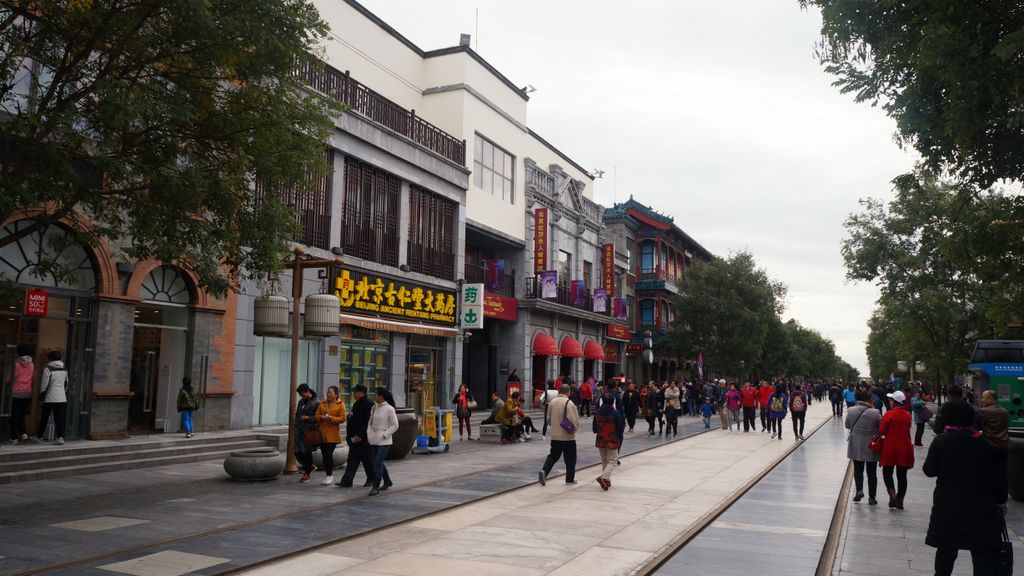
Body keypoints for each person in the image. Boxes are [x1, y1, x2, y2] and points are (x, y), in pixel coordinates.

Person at [923, 399, 1007, 576]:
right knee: (982, 552)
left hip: (948, 507)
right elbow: (996, 477)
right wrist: (1001, 502)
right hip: (980, 508)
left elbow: (929, 471)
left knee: (946, 550)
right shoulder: (982, 443)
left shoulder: (941, 442)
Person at [538, 384, 580, 486]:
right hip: (568, 437)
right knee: (570, 459)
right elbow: (573, 420)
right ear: (568, 392)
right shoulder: (569, 403)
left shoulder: (552, 402)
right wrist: (575, 429)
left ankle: (544, 471)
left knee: (553, 456)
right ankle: (569, 479)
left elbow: (548, 419)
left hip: (555, 436)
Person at [879, 390, 914, 509]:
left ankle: (892, 495)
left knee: (887, 472)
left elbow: (882, 430)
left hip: (890, 447)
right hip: (905, 447)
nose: (889, 402)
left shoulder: (889, 414)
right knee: (902, 475)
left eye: (891, 400)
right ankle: (900, 500)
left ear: (895, 402)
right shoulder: (908, 415)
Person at [846, 390, 881, 505]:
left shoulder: (851, 410)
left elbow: (847, 425)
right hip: (871, 445)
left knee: (858, 469)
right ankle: (872, 497)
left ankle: (859, 490)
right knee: (872, 472)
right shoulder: (875, 412)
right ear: (868, 399)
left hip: (856, 443)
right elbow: (880, 427)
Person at [337, 384, 374, 488]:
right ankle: (347, 480)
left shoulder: (369, 404)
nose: (354, 394)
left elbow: (367, 422)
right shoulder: (357, 403)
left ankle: (371, 479)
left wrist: (360, 435)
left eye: (356, 392)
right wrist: (349, 417)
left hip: (363, 438)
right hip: (354, 437)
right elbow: (354, 419)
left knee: (367, 460)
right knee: (352, 459)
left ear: (362, 392)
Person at [367, 388, 398, 496]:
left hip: (385, 440)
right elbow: (370, 423)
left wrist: (385, 434)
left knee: (378, 462)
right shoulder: (374, 407)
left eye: (376, 394)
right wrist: (369, 434)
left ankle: (375, 486)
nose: (374, 396)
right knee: (377, 461)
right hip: (374, 438)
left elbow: (395, 425)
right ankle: (388, 481)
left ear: (381, 396)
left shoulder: (389, 409)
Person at [314, 385, 346, 486]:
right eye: (328, 392)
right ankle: (328, 475)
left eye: (330, 393)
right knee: (324, 455)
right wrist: (322, 417)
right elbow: (316, 416)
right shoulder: (322, 403)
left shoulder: (340, 405)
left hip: (332, 434)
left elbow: (342, 419)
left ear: (336, 394)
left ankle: (329, 475)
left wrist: (331, 418)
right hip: (322, 434)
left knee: (328, 454)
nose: (328, 394)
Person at [593, 392, 625, 490]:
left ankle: (606, 480)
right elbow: (619, 429)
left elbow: (594, 429)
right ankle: (604, 477)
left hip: (600, 439)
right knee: (613, 461)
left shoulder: (597, 412)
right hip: (612, 439)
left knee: (604, 460)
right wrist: (619, 438)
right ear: (612, 402)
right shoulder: (616, 413)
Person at [37, 350, 69, 445]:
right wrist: (63, 393)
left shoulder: (48, 368)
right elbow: (66, 384)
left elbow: (44, 384)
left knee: (44, 417)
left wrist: (42, 396)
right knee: (59, 418)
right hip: (61, 397)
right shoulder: (64, 369)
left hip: (49, 397)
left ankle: (39, 436)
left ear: (49, 358)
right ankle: (60, 437)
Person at [293, 383, 320, 483]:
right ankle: (310, 466)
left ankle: (307, 473)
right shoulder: (301, 402)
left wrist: (309, 418)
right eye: (300, 394)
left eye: (302, 393)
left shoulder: (317, 402)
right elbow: (298, 414)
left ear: (307, 391)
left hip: (308, 431)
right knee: (297, 452)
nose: (301, 396)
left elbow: (318, 417)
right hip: (298, 430)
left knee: (306, 452)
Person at [8, 348, 34, 444]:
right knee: (22, 415)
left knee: (14, 415)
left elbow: (8, 378)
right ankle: (24, 434)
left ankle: (13, 437)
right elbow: (32, 378)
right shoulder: (31, 364)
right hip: (27, 392)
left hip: (15, 392)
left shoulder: (16, 364)